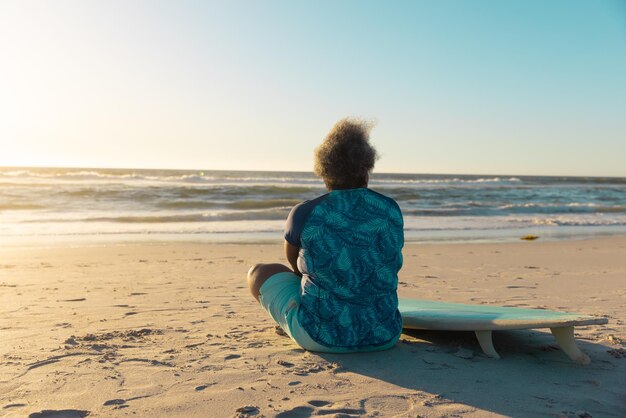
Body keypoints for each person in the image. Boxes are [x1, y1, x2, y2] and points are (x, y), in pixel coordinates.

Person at [247, 118, 404, 353]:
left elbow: (295, 267)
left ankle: (290, 321)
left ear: (323, 171)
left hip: (320, 337)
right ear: (366, 170)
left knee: (259, 272)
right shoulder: (390, 209)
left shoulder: (305, 212)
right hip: (385, 335)